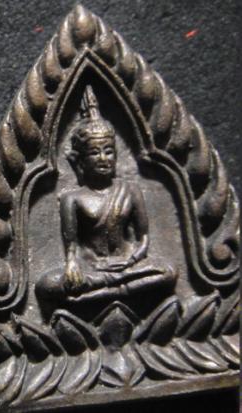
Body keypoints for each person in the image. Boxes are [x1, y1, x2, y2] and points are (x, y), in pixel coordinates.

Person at [37, 86, 176, 303]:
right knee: (47, 285)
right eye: (94, 152)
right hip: (93, 268)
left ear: (116, 155)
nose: (103, 158)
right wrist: (72, 265)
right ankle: (121, 290)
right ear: (80, 160)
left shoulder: (130, 190)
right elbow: (71, 247)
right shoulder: (72, 198)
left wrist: (131, 260)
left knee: (167, 272)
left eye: (108, 151)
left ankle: (98, 296)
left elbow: (143, 237)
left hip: (129, 265)